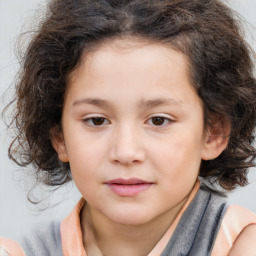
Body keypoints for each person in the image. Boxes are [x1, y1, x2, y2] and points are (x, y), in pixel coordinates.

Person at [1, 0, 256, 255]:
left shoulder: (242, 245)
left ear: (213, 133)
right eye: (97, 120)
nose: (125, 152)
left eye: (158, 120)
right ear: (60, 137)